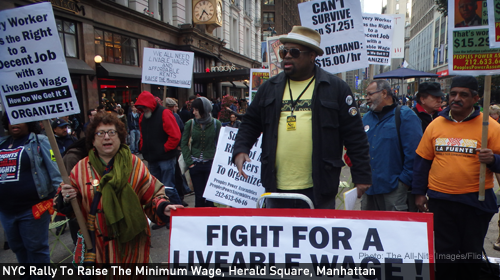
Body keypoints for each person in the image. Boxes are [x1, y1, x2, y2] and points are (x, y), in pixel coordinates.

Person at [232, 26, 372, 209]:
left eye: (295, 52)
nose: (287, 56)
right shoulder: (269, 88)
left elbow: (355, 135)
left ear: (312, 55)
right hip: (276, 187)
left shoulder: (336, 88)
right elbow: (250, 122)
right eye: (284, 52)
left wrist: (361, 176)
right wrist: (241, 148)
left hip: (320, 187)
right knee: (281, 237)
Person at [56, 113, 184, 263]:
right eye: (100, 133)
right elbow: (72, 207)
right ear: (92, 139)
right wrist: (65, 198)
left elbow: (153, 194)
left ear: (120, 137)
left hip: (132, 249)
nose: (107, 137)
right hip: (97, 248)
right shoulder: (80, 169)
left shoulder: (134, 164)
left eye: (112, 132)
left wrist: (163, 207)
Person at [412, 76, 500, 279]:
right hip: (441, 202)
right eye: (453, 94)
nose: (456, 98)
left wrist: (493, 159)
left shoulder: (490, 127)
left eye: (463, 94)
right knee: (445, 255)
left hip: (474, 203)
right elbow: (422, 161)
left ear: (475, 98)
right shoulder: (436, 125)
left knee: (470, 254)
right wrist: (418, 193)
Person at [0, 113, 62, 269]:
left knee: (36, 249)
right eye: (10, 120)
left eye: (19, 120)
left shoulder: (41, 142)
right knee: (18, 248)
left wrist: (61, 196)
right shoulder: (2, 143)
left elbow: (55, 172)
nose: (14, 123)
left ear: (29, 122)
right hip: (6, 210)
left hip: (34, 208)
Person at [361, 80, 422, 211]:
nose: (366, 98)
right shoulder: (365, 119)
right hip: (369, 189)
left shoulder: (405, 115)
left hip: (394, 190)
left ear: (384, 93)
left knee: (394, 230)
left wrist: (403, 183)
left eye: (370, 94)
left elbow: (414, 154)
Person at [134, 91, 183, 206]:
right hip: (153, 158)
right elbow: (142, 135)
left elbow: (175, 135)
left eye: (144, 107)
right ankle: (163, 216)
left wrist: (164, 149)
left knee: (168, 188)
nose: (143, 109)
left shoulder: (164, 113)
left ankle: (178, 215)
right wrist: (143, 147)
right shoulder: (143, 117)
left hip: (165, 157)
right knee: (156, 191)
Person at [181, 97, 222, 207]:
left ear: (204, 109)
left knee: (210, 197)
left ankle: (211, 221)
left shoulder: (216, 124)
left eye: (196, 110)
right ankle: (199, 221)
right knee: (199, 196)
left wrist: (217, 162)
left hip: (210, 164)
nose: (193, 112)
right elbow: (183, 144)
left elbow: (220, 144)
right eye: (193, 109)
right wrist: (190, 163)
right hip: (196, 165)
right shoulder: (191, 123)